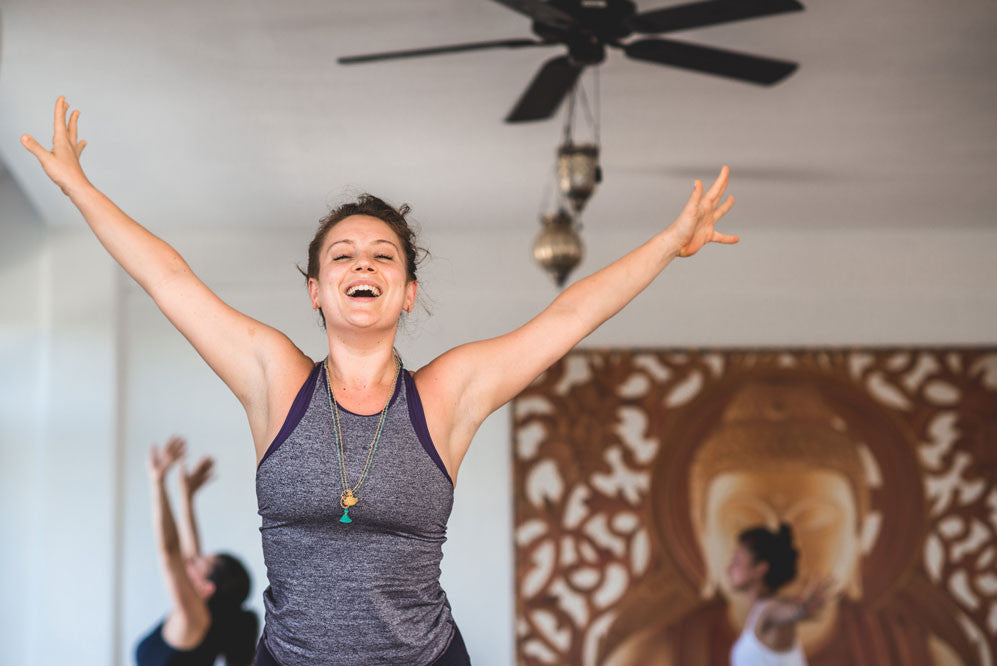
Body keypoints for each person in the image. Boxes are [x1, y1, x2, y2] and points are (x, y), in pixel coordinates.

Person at [21, 97, 738, 665]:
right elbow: (167, 279)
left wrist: (669, 244)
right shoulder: (273, 378)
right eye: (342, 255)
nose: (362, 264)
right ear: (315, 291)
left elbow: (567, 316)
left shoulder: (447, 394)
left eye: (382, 256)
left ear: (404, 292)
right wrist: (78, 187)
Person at [138, 435, 258, 665]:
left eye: (197, 563)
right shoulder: (203, 615)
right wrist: (186, 496)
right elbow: (185, 553)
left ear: (206, 587)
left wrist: (158, 481)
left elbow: (169, 551)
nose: (190, 561)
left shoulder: (193, 619)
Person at [727, 524, 829, 666]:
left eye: (737, 561)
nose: (729, 568)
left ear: (760, 569)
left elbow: (783, 613)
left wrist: (800, 609)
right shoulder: (759, 612)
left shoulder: (769, 609)